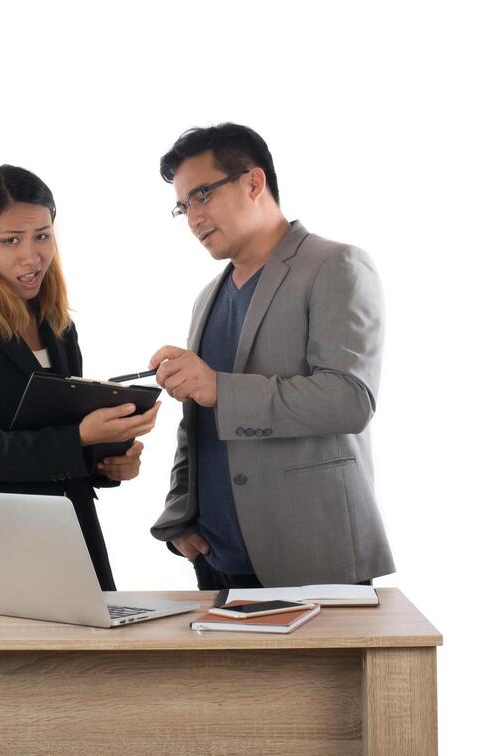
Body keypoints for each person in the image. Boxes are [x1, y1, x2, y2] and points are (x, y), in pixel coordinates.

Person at [149, 124, 395, 591]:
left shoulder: (336, 265)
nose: (193, 217)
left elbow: (350, 399)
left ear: (253, 182)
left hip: (313, 559)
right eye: (184, 206)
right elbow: (197, 419)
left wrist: (221, 388)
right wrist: (180, 515)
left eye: (202, 195)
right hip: (218, 561)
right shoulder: (208, 297)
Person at [0, 164, 159, 592]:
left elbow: (59, 430)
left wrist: (108, 464)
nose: (32, 257)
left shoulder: (57, 323)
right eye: (11, 240)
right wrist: (80, 438)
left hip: (72, 533)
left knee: (91, 659)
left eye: (42, 236)